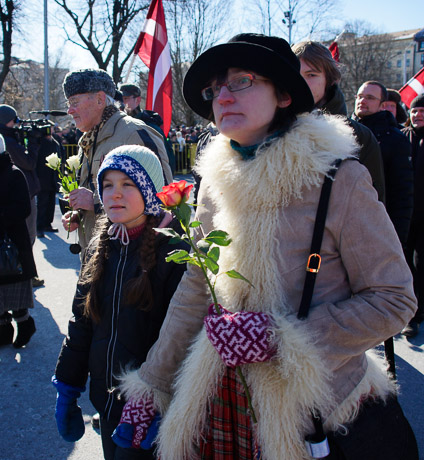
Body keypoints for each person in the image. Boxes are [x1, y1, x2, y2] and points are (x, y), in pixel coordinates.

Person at [111, 34, 418, 460]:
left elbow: (394, 299)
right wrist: (153, 383)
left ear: (284, 95)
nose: (222, 95)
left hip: (314, 405)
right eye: (214, 88)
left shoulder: (337, 178)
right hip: (220, 398)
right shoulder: (215, 183)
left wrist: (281, 339)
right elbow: (197, 287)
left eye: (241, 81)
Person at [52, 145, 188, 460]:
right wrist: (68, 385)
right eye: (108, 185)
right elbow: (82, 322)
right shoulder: (102, 244)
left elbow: (181, 337)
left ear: (151, 193)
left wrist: (158, 397)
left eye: (128, 185)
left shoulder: (174, 252)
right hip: (106, 400)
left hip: (148, 411)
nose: (115, 194)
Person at [61, 69, 172, 255]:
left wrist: (95, 203)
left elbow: (164, 197)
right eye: (69, 103)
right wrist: (80, 214)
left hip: (131, 259)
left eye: (74, 102)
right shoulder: (88, 140)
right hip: (96, 257)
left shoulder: (134, 133)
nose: (69, 110)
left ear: (99, 99)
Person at [292, 40, 385, 202]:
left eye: (311, 75)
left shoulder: (358, 136)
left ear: (329, 80)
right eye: (295, 74)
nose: (301, 83)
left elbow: (373, 203)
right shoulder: (268, 127)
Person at [353, 81, 413, 247]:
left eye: (370, 98)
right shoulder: (342, 131)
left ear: (382, 105)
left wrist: (397, 239)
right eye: (359, 96)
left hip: (377, 226)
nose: (362, 101)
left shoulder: (395, 139)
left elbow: (402, 192)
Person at [0, 135, 37, 348]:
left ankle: (24, 323)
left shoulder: (14, 174)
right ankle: (4, 328)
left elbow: (24, 207)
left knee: (14, 288)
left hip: (12, 243)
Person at [402, 94, 424, 338]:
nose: (417, 115)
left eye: (422, 111)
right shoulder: (402, 137)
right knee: (405, 263)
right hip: (408, 214)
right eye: (415, 111)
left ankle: (416, 316)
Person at [120, 83, 176, 175]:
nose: (122, 103)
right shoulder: (117, 125)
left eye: (125, 98)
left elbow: (166, 159)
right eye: (119, 99)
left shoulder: (149, 126)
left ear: (137, 100)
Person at [36, 132, 62, 237]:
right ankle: (39, 227)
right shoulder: (40, 142)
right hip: (42, 177)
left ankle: (48, 224)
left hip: (52, 177)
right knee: (42, 204)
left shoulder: (54, 141)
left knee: (51, 203)